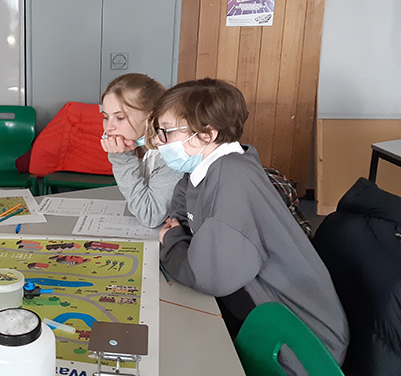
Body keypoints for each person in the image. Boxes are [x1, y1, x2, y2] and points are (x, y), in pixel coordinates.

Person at [151, 78, 349, 374]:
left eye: (165, 132)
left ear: (206, 135)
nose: (157, 141)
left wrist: (173, 243)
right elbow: (177, 215)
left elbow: (209, 274)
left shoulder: (233, 176)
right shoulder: (205, 169)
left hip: (300, 348)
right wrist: (178, 238)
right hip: (259, 309)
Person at [99, 73, 183, 228]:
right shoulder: (136, 147)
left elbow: (149, 215)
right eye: (105, 117)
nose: (109, 127)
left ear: (151, 117)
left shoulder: (170, 154)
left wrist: (122, 160)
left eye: (120, 118)